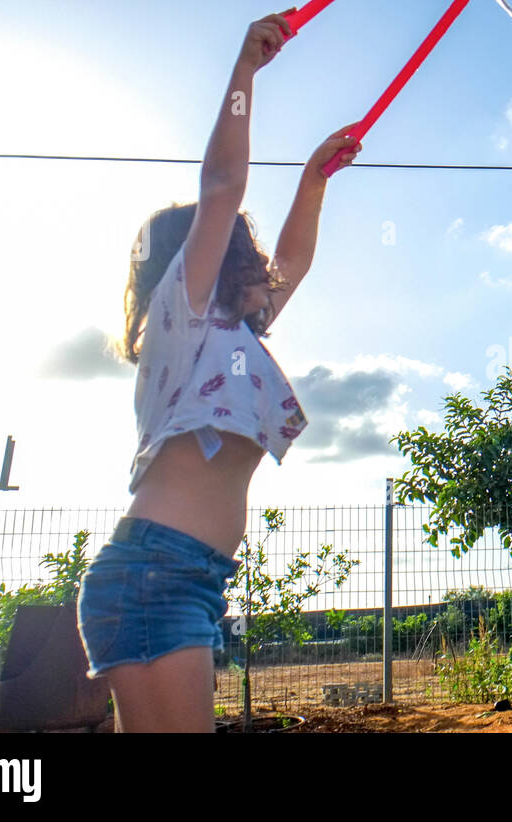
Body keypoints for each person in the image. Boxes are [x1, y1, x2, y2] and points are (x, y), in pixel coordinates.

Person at [76, 10, 362, 732]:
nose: (269, 272)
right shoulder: (186, 318)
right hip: (155, 575)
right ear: (209, 263)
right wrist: (244, 73)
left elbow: (293, 265)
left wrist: (314, 183)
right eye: (250, 257)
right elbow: (223, 189)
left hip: (187, 579)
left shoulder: (234, 339)